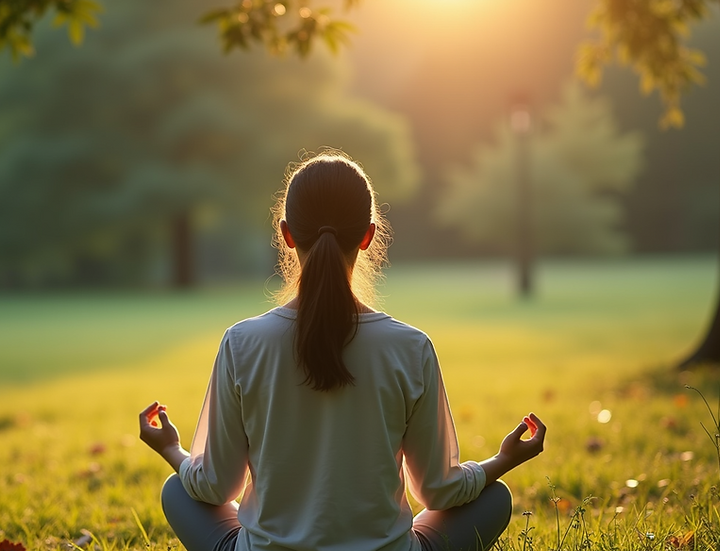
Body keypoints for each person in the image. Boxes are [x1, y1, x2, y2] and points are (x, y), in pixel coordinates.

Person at [139, 151, 546, 551]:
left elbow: (214, 487)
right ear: (368, 236)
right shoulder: (410, 347)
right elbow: (438, 492)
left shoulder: (242, 343)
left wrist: (171, 449)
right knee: (495, 497)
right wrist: (503, 459)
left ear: (286, 234)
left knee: (179, 489)